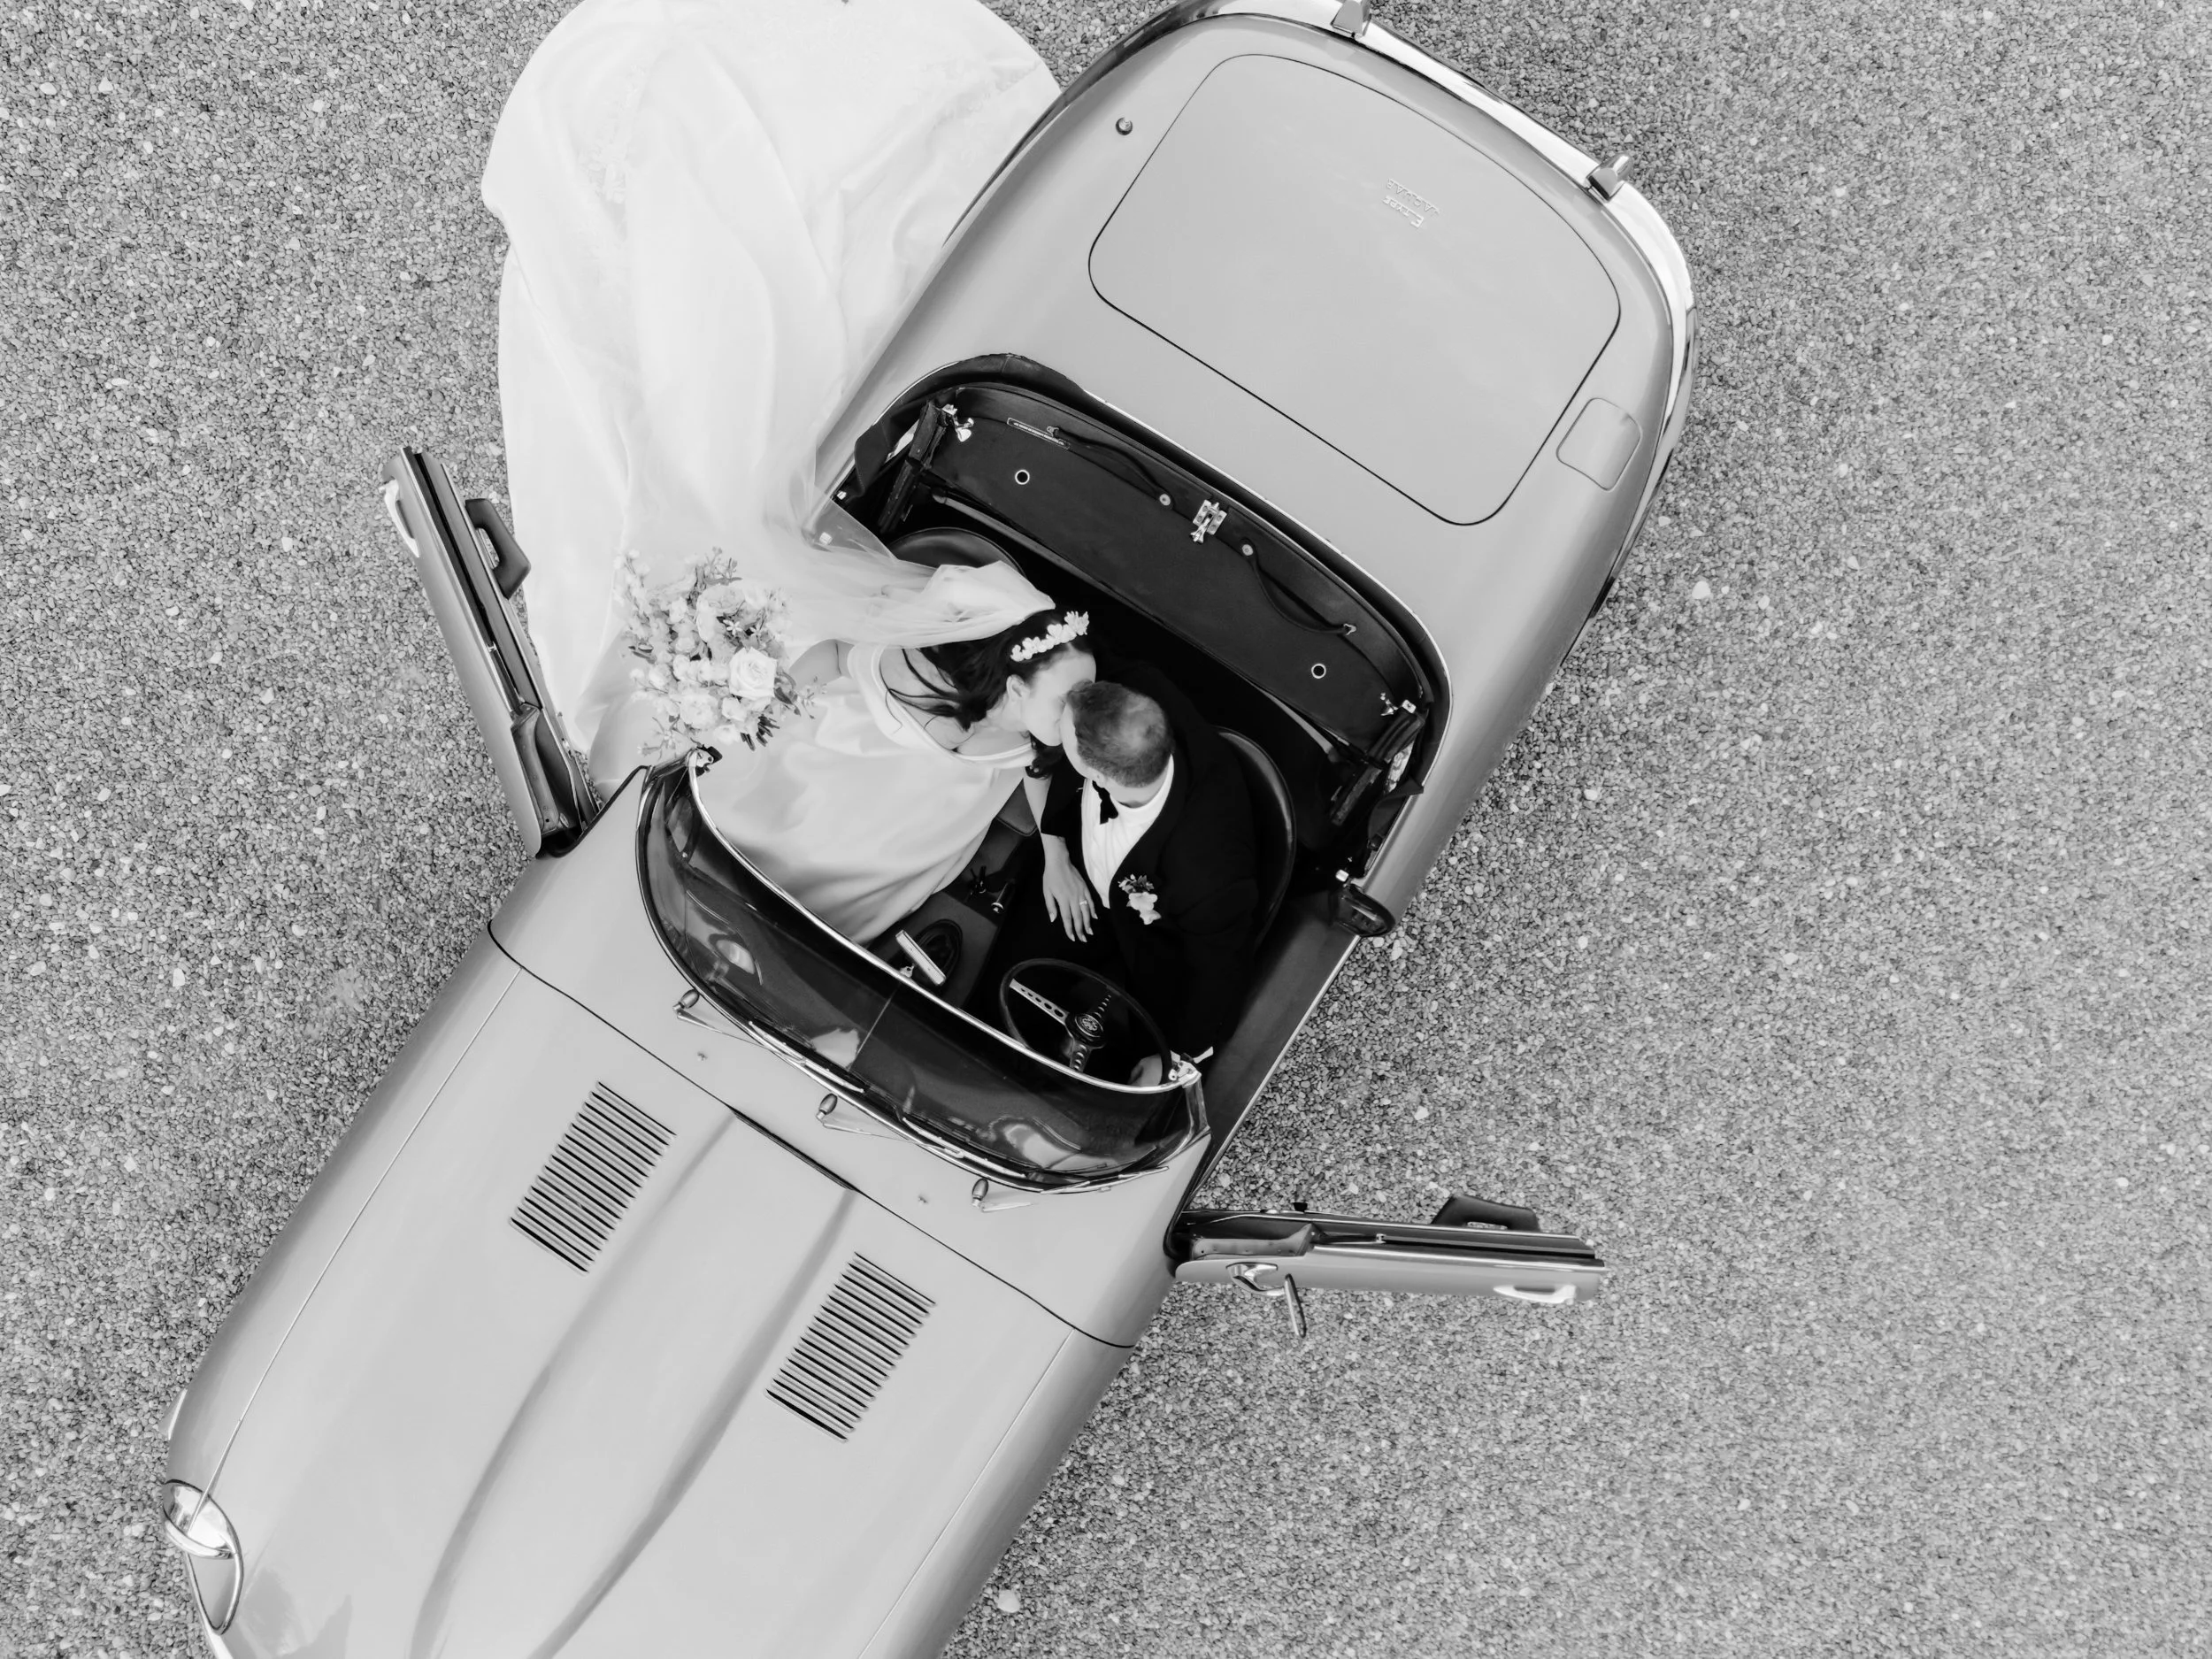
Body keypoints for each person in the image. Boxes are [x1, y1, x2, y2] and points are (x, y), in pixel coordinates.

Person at [481, 0, 1065, 936]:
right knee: (731, 391)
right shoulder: (981, 666)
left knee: (699, 428)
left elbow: (845, 669)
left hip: (762, 681)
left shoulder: (968, 689)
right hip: (760, 665)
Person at [973, 666, 1259, 1066]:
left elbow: (1220, 970)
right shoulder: (1131, 697)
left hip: (1152, 939)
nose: (1056, 718)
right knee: (998, 996)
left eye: (1062, 727)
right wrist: (1056, 858)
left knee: (1117, 1063)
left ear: (1095, 772)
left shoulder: (1209, 876)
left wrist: (1174, 1056)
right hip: (1073, 876)